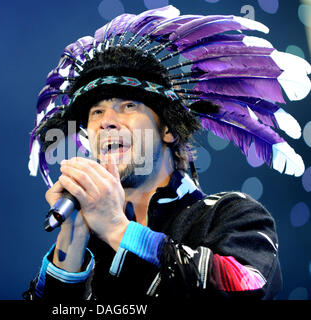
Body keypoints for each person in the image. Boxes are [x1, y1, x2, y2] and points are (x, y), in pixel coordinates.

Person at [24, 5, 310, 301]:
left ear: (168, 130)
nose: (105, 121)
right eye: (96, 111)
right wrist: (72, 241)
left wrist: (117, 228)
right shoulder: (88, 249)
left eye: (129, 105)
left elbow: (247, 288)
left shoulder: (230, 214)